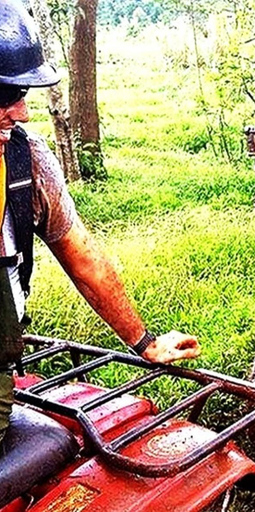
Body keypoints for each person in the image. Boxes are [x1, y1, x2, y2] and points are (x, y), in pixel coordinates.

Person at [0, 0, 200, 443]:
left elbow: (84, 260)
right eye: (3, 96)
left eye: (22, 95)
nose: (21, 112)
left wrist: (145, 341)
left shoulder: (25, 161)